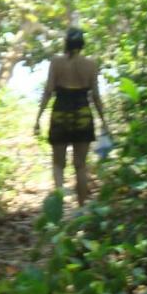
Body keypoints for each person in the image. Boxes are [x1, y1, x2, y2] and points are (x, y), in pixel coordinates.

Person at [33, 27, 109, 205]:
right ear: (82, 44)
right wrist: (104, 121)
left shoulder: (56, 62)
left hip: (61, 113)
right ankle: (81, 207)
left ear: (65, 43)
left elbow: (48, 91)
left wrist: (38, 118)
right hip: (82, 113)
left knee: (58, 163)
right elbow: (96, 96)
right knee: (80, 165)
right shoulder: (91, 64)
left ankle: (60, 205)